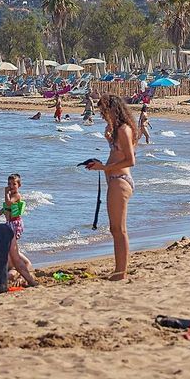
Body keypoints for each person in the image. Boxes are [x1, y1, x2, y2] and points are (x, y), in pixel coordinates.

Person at [84, 95, 137, 280]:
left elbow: (130, 160)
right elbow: (117, 154)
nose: (101, 115)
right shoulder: (116, 129)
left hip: (120, 180)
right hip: (115, 179)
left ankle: (120, 273)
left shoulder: (124, 129)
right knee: (115, 229)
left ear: (113, 109)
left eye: (103, 111)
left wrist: (104, 168)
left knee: (119, 229)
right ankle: (118, 269)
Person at [0, 173, 38, 287]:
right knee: (7, 243)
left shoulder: (17, 195)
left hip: (15, 223)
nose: (11, 186)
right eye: (9, 184)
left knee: (11, 243)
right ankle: (12, 261)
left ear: (19, 185)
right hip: (9, 222)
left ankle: (18, 264)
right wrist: (1, 210)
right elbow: (7, 206)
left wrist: (5, 194)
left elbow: (10, 203)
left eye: (14, 184)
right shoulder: (10, 195)